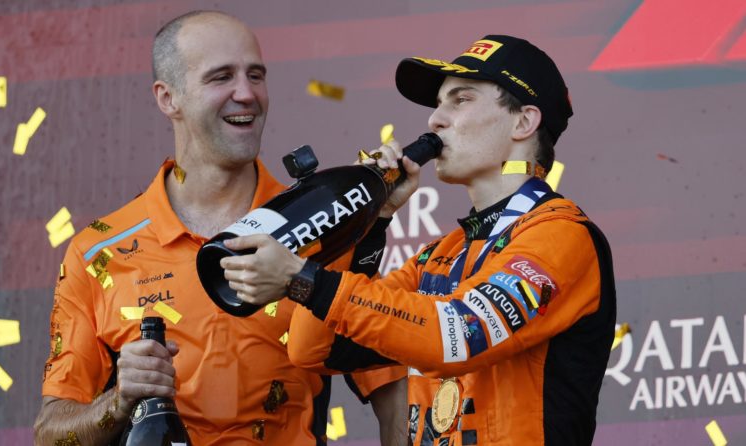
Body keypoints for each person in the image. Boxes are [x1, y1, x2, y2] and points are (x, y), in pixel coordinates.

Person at [221, 34, 617, 445]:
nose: (435, 120)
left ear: (523, 121)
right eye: (439, 104)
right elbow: (312, 347)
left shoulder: (561, 235)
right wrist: (366, 222)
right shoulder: (441, 255)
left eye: (460, 100)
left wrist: (302, 277)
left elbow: (455, 334)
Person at [33, 10, 407, 445]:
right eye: (221, 77)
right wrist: (119, 401)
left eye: (256, 75)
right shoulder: (98, 251)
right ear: (167, 97)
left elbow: (392, 387)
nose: (246, 94)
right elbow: (51, 434)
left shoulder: (325, 225)